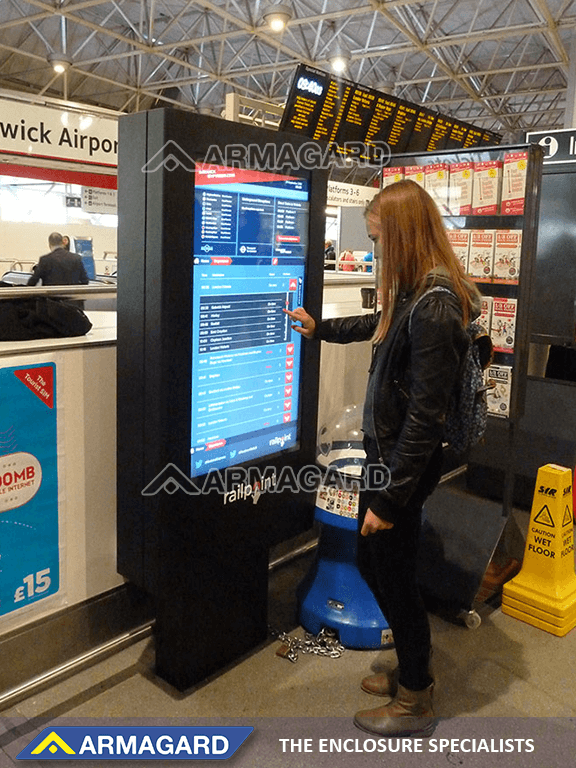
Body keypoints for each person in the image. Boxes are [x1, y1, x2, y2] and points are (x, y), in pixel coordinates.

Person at [284, 180, 481, 738]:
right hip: (387, 457)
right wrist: (321, 328)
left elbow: (426, 418)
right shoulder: (417, 293)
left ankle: (415, 696)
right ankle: (412, 669)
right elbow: (379, 328)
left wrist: (390, 500)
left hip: (402, 466)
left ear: (401, 235)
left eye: (377, 240)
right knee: (381, 566)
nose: (373, 252)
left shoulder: (437, 305)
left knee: (389, 571)